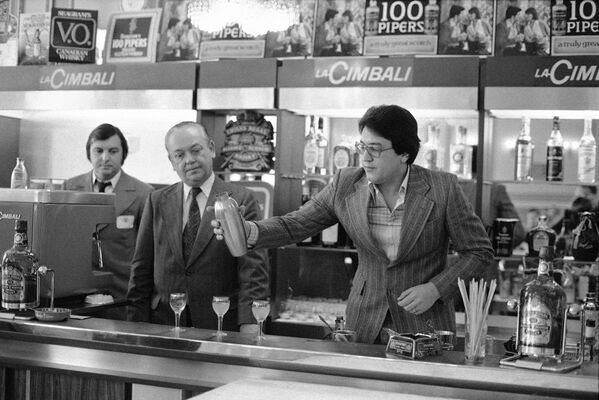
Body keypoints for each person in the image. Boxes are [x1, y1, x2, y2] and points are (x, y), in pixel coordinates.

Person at [213, 105, 494, 344]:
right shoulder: (347, 183)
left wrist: (435, 288)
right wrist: (250, 231)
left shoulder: (442, 188)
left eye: (375, 149)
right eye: (362, 146)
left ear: (404, 154)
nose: (365, 157)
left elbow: (479, 251)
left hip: (425, 325)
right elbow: (295, 224)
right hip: (363, 324)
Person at [127, 121, 269, 333]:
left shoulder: (240, 199)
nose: (189, 160)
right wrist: (133, 327)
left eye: (196, 150)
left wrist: (250, 324)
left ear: (211, 148)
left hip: (221, 325)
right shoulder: (156, 202)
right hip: (164, 326)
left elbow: (253, 270)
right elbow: (141, 271)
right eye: (180, 155)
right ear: (171, 161)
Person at [65, 123, 154, 310]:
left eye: (113, 151)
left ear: (123, 154)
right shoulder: (69, 188)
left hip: (123, 295)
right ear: (89, 153)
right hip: (77, 293)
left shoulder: (143, 193)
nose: (105, 158)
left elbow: (149, 252)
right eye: (98, 151)